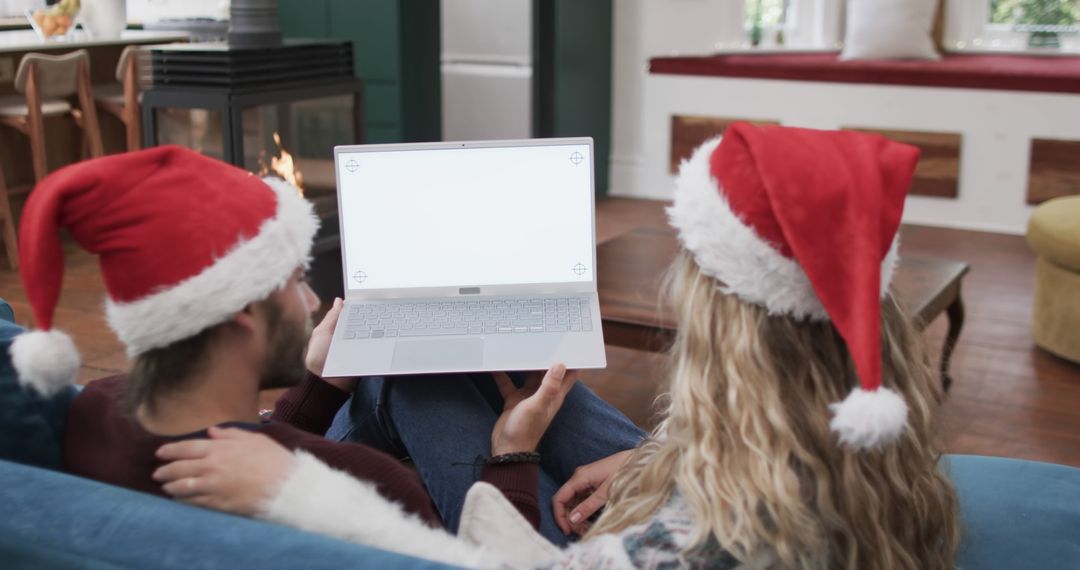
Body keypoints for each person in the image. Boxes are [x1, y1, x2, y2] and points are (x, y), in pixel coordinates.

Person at [154, 123, 963, 569]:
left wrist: (511, 456)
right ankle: (336, 428)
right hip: (703, 477)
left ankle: (314, 458)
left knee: (407, 386)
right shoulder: (870, 447)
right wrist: (663, 457)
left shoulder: (688, 550)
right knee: (448, 371)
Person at [8, 145, 642, 563]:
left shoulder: (97, 406)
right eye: (293, 280)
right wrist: (513, 451)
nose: (312, 297)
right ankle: (685, 471)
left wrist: (323, 386)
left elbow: (256, 442)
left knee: (414, 371)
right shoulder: (363, 489)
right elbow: (491, 561)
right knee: (424, 381)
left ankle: (662, 460)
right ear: (242, 312)